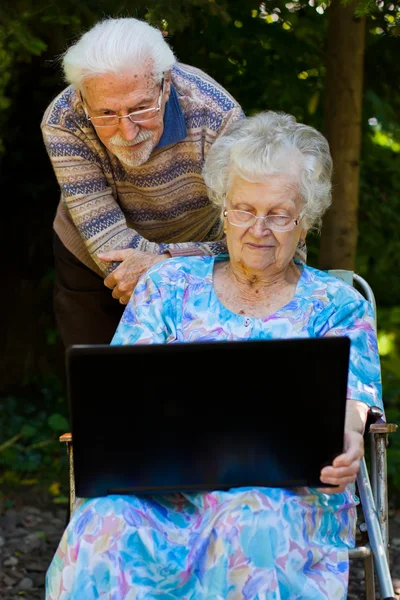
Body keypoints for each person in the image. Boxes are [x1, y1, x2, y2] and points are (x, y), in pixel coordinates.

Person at [46, 111, 382, 599]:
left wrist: (350, 439)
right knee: (105, 521)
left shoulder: (336, 304)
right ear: (223, 209)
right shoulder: (167, 287)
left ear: (305, 220)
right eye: (243, 209)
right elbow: (120, 396)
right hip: (168, 492)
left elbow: (356, 396)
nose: (258, 229)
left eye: (279, 214)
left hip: (286, 496)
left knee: (247, 520)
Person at [41, 16, 245, 347]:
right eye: (106, 114)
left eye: (140, 108)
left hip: (197, 251)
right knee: (101, 385)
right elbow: (112, 252)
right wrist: (162, 266)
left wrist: (166, 262)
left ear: (165, 85)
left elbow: (251, 237)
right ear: (83, 97)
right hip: (94, 264)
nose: (127, 131)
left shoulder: (217, 116)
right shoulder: (64, 120)